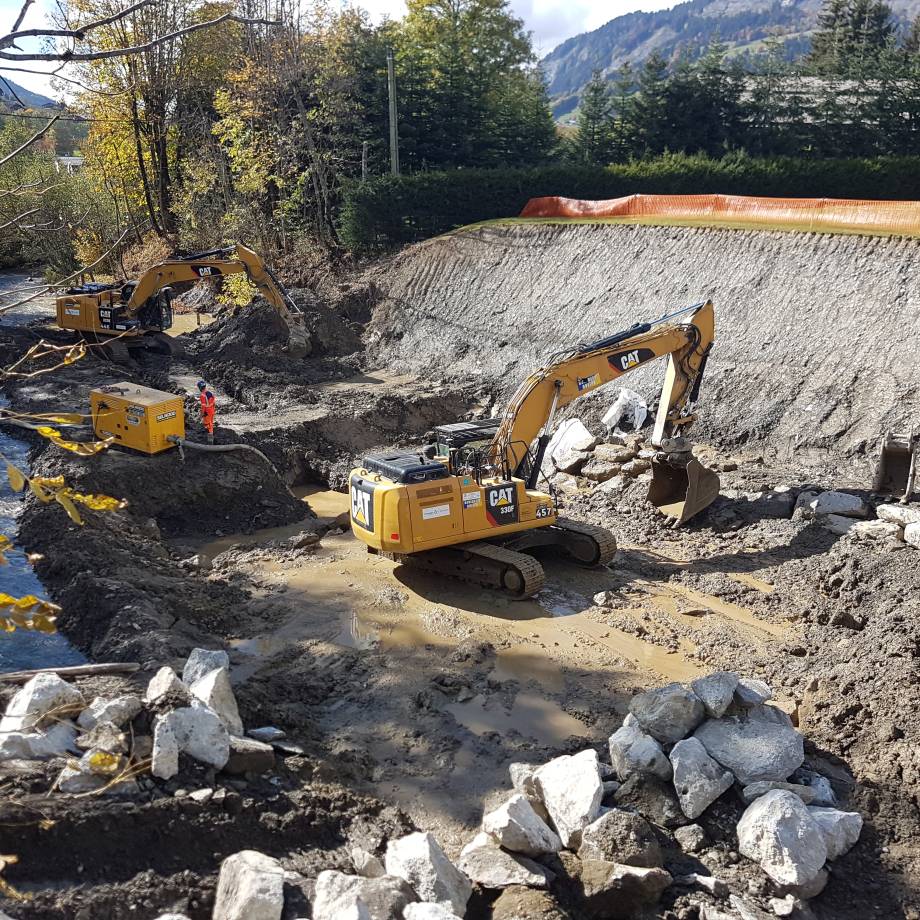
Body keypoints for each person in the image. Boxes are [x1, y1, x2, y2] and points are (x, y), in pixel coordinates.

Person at [197, 380, 216, 444]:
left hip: (207, 413)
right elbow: (213, 403)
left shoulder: (203, 395)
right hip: (212, 411)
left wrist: (201, 415)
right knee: (211, 424)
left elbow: (203, 407)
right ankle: (211, 437)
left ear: (199, 388)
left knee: (208, 426)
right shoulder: (210, 393)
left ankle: (210, 442)